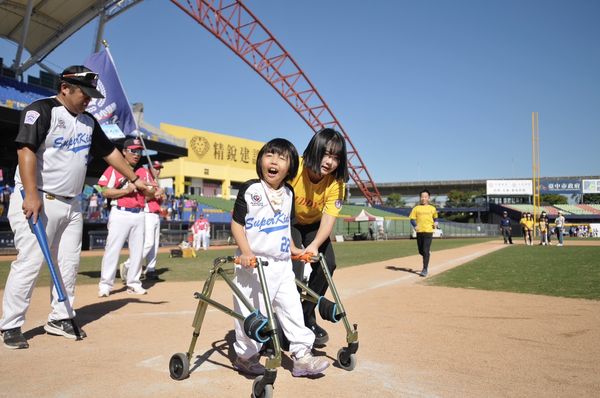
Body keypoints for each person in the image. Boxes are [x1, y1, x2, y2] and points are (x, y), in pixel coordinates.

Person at [0, 66, 149, 349]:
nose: (88, 100)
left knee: (69, 264)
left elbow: (109, 153)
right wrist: (31, 194)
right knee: (30, 263)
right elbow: (25, 151)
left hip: (72, 203)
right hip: (39, 199)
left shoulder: (89, 122)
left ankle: (60, 317)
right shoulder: (42, 110)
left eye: (92, 95)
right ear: (65, 88)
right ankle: (11, 324)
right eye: (85, 93)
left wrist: (134, 179)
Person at [231, 138, 329, 377]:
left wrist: (294, 249)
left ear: (290, 167)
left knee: (292, 308)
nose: (273, 161)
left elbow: (286, 226)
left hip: (282, 264)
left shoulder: (288, 192)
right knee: (253, 312)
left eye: (281, 158)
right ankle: (246, 356)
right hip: (253, 266)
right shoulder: (251, 189)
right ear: (261, 161)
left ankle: (302, 357)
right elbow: (236, 224)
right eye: (269, 155)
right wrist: (245, 252)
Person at [290, 128, 348, 347]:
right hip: (291, 222)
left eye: (336, 157)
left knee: (328, 264)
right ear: (315, 150)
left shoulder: (336, 183)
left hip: (315, 226)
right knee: (293, 270)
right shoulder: (296, 168)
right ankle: (288, 320)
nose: (330, 162)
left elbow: (329, 218)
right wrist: (296, 248)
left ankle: (306, 315)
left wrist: (314, 245)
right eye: (326, 154)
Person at [97, 138, 154, 297]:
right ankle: (105, 284)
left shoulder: (143, 171)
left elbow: (152, 193)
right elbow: (105, 192)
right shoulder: (114, 168)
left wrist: (143, 188)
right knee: (112, 249)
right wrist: (127, 190)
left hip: (139, 213)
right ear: (124, 151)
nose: (136, 154)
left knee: (137, 251)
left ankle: (134, 283)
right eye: (133, 150)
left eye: (139, 151)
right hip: (120, 212)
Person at [120, 160, 166, 281]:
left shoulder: (155, 182)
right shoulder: (142, 173)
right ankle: (128, 264)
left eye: (159, 168)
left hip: (156, 214)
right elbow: (142, 197)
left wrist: (161, 197)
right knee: (148, 243)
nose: (158, 170)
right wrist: (156, 194)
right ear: (150, 168)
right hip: (146, 213)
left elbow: (156, 199)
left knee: (154, 246)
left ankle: (150, 270)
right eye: (155, 168)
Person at [409, 190, 439, 277]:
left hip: (428, 231)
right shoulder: (416, 208)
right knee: (421, 251)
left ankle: (424, 269)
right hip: (419, 232)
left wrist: (436, 222)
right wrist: (415, 225)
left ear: (428, 198)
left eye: (425, 197)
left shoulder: (432, 208)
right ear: (420, 198)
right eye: (422, 197)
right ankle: (427, 253)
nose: (423, 198)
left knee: (425, 250)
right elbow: (412, 219)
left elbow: (436, 218)